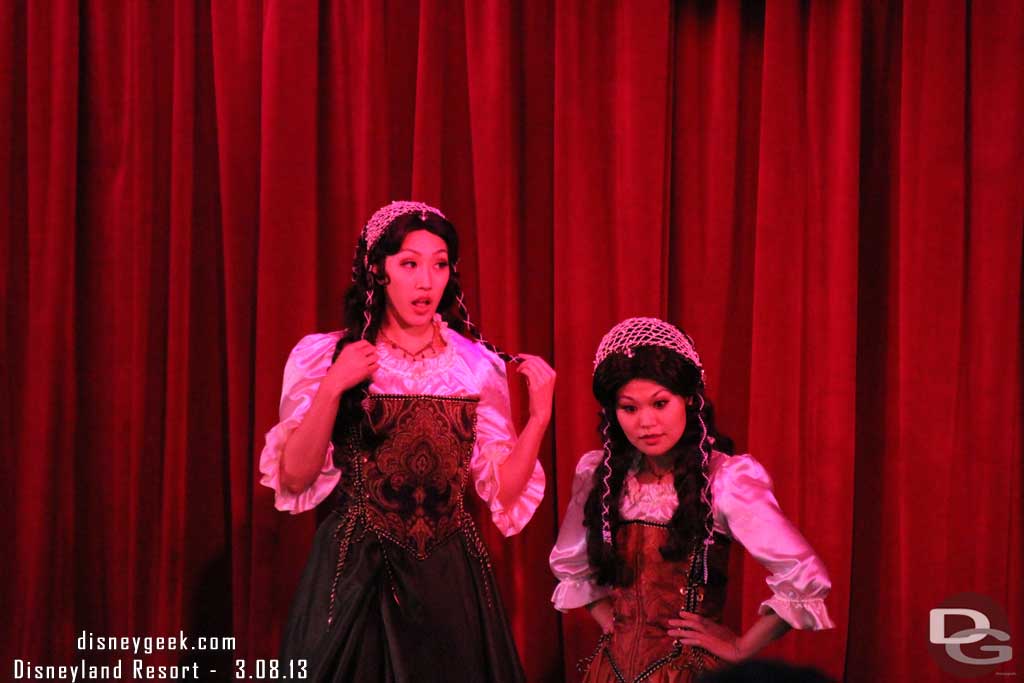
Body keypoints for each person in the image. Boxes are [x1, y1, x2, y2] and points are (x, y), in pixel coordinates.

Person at [259, 201, 555, 682]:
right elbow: (294, 475)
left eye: (439, 264)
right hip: (357, 574)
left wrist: (539, 419)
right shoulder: (328, 354)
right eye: (409, 263)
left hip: (449, 576)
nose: (426, 281)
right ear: (378, 270)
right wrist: (334, 385)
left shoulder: (476, 364)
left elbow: (501, 493)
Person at [550, 317, 833, 682]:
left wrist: (741, 649)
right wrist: (613, 622)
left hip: (687, 673)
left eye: (660, 403)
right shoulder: (599, 476)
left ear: (688, 398)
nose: (646, 422)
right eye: (629, 408)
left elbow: (804, 574)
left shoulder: (725, 480)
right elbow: (570, 565)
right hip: (610, 673)